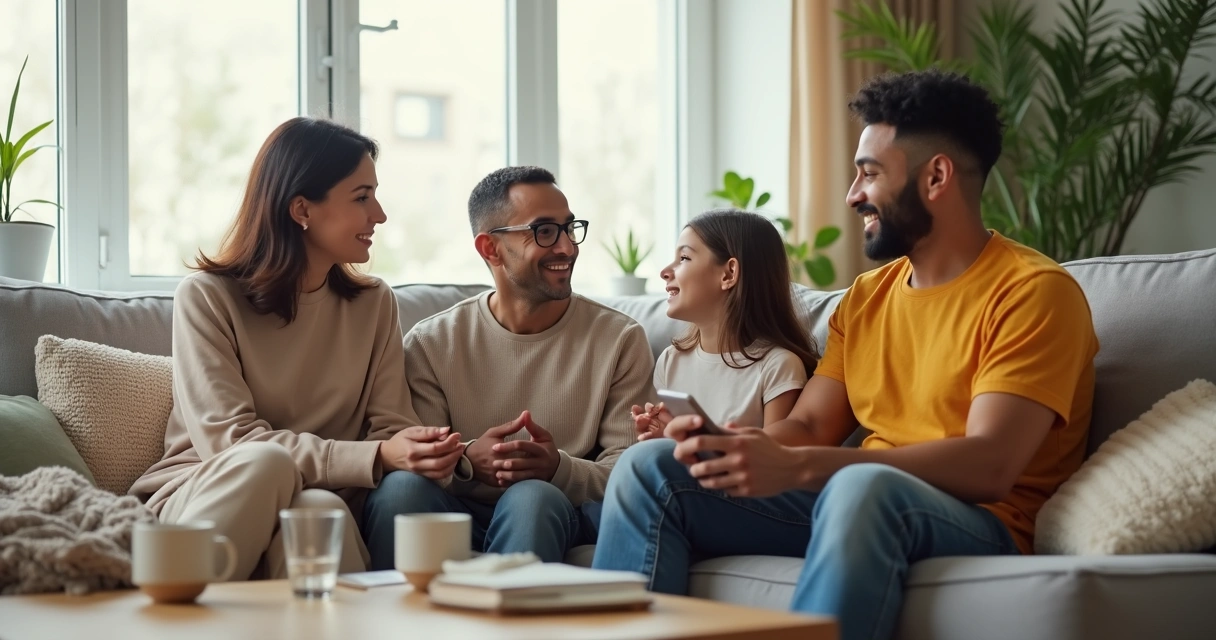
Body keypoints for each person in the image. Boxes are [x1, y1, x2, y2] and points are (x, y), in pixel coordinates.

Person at [592, 69, 1100, 640]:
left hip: (978, 521)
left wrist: (805, 466)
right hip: (853, 500)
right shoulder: (867, 297)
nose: (853, 195)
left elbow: (989, 465)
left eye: (870, 174)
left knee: (861, 487)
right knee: (648, 468)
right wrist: (733, 447)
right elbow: (809, 424)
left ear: (936, 176)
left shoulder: (1032, 291)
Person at [130, 117, 461, 580]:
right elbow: (232, 443)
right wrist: (375, 457)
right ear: (302, 209)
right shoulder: (207, 296)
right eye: (362, 197)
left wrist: (438, 453)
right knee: (267, 464)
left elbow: (392, 428)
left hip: (322, 498)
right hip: (209, 494)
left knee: (318, 513)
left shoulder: (374, 304)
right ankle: (173, 601)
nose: (379, 215)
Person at [362, 166, 654, 568]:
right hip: (452, 505)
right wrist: (467, 460)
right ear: (490, 249)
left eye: (570, 228)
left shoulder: (620, 339)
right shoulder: (432, 343)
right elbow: (413, 454)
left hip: (551, 508)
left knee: (531, 495)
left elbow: (631, 472)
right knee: (399, 491)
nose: (568, 247)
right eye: (545, 231)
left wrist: (557, 468)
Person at [632, 209, 817, 441]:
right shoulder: (671, 361)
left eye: (684, 258)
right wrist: (660, 434)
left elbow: (776, 463)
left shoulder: (778, 367)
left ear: (729, 273)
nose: (665, 272)